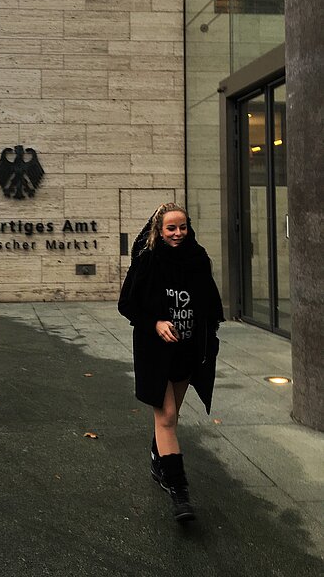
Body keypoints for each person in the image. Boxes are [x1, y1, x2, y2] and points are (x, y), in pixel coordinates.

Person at [118, 202, 224, 522]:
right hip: (155, 352)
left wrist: (207, 340)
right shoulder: (148, 260)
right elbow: (127, 304)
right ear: (159, 230)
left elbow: (210, 305)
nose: (178, 233)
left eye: (182, 227)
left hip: (186, 352)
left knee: (171, 416)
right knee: (165, 416)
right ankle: (179, 491)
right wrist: (155, 323)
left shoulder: (198, 259)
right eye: (171, 228)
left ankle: (158, 458)